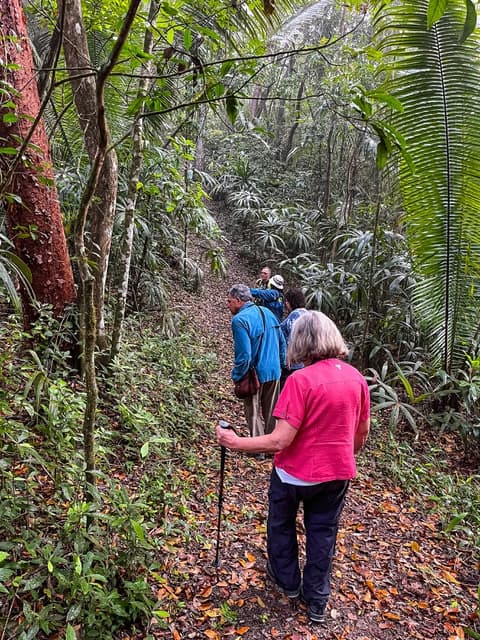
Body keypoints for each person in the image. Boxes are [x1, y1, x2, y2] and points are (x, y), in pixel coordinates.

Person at [216, 310, 370, 624]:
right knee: (323, 533)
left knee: (281, 525)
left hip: (292, 475)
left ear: (300, 341)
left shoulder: (301, 381)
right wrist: (341, 456)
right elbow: (361, 433)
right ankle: (317, 599)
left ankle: (287, 581)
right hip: (337, 474)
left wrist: (234, 443)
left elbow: (279, 441)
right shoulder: (356, 378)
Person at [227, 284, 286, 437]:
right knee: (272, 410)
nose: (228, 305)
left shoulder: (239, 320)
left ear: (239, 300)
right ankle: (272, 445)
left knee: (252, 411)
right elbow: (282, 342)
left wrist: (238, 376)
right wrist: (281, 364)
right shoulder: (269, 313)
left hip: (255, 374)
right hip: (274, 371)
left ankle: (258, 448)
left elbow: (244, 355)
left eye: (230, 301)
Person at [280, 288, 307, 388]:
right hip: (303, 361)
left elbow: (294, 333)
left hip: (293, 364)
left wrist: (289, 354)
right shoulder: (306, 314)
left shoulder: (295, 315)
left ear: (288, 302)